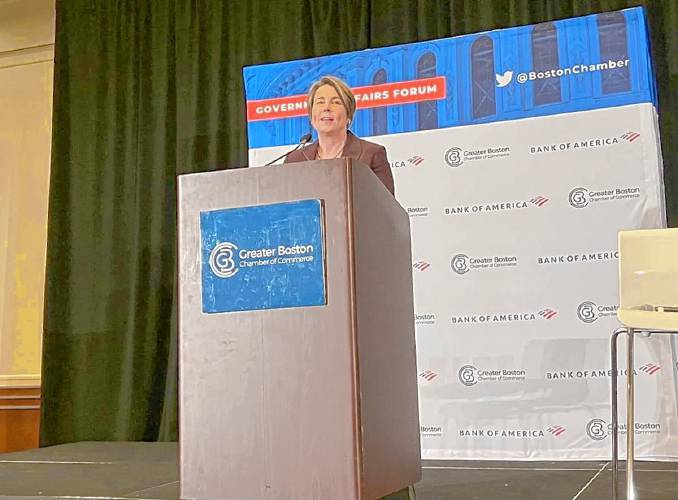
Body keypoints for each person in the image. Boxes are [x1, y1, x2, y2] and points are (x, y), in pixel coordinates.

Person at [284, 75, 395, 196]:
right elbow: (285, 209)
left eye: (336, 102)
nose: (326, 108)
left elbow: (386, 210)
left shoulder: (372, 154)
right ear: (311, 116)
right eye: (320, 102)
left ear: (348, 115)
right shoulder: (294, 160)